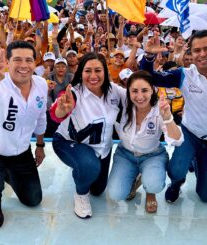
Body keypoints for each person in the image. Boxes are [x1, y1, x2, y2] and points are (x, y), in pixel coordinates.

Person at [141, 30, 207, 203]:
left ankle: (200, 163)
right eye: (196, 50)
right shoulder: (184, 75)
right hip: (190, 134)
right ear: (191, 53)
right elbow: (150, 78)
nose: (202, 54)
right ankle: (176, 183)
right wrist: (148, 56)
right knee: (176, 170)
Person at [50, 52, 125, 219]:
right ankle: (81, 194)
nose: (93, 76)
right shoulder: (74, 93)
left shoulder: (115, 92)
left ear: (105, 71)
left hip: (102, 150)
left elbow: (137, 98)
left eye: (98, 70)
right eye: (87, 71)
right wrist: (61, 111)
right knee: (89, 166)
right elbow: (56, 112)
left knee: (98, 190)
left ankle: (81, 170)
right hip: (68, 143)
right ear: (80, 73)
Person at [0, 41, 47, 229]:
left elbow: (41, 116)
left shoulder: (41, 85)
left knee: (33, 200)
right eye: (17, 59)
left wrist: (40, 145)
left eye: (29, 60)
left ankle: (6, 174)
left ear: (35, 63)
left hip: (20, 152)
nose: (24, 65)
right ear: (8, 63)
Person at [107, 71, 183, 213]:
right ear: (127, 91)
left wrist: (167, 117)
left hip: (152, 155)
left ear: (153, 90)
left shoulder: (159, 109)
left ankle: (150, 192)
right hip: (125, 155)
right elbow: (104, 83)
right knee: (116, 194)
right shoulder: (122, 103)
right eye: (134, 91)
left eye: (145, 90)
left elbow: (177, 140)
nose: (140, 96)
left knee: (154, 184)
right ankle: (137, 177)